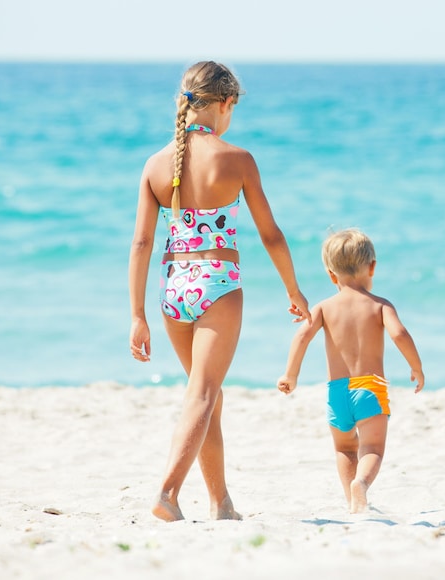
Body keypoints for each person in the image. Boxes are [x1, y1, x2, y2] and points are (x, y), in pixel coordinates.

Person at [129, 61, 311, 522]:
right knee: (203, 395)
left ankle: (220, 503)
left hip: (173, 287)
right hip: (217, 283)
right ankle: (167, 493)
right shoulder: (237, 159)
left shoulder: (155, 164)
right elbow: (270, 234)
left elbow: (141, 244)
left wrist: (137, 315)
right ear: (226, 104)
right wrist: (294, 290)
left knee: (206, 393)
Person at [277, 228, 424, 514]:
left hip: (337, 392)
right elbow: (399, 334)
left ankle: (352, 502)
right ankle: (362, 485)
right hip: (370, 389)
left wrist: (290, 374)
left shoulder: (323, 308)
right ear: (372, 267)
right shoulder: (380, 305)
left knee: (344, 448)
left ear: (332, 276)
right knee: (373, 449)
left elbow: (302, 336)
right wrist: (415, 366)